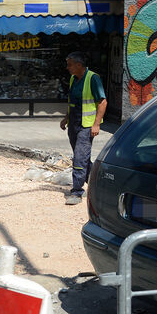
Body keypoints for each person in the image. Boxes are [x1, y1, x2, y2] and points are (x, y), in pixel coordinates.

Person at [60, 52, 107, 206]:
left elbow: (102, 102)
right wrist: (66, 118)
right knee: (83, 157)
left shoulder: (93, 78)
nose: (67, 68)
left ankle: (77, 192)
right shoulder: (73, 78)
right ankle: (98, 183)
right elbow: (72, 102)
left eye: (70, 65)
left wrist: (96, 124)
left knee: (79, 157)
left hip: (86, 126)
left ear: (79, 65)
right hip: (73, 124)